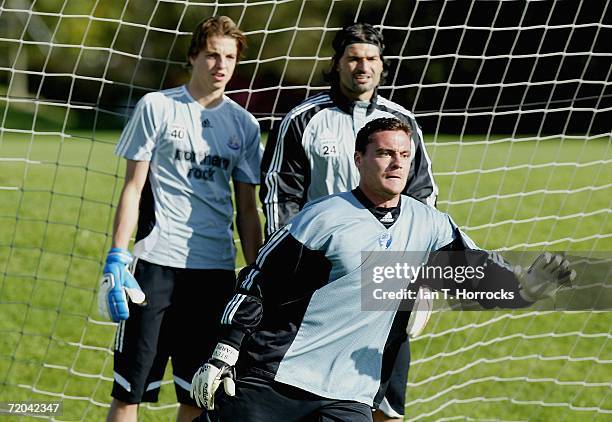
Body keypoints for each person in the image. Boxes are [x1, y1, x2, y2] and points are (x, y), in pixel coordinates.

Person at [190, 118, 574, 421]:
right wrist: (224, 354)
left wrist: (527, 290)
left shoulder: (432, 227)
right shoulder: (323, 219)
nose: (396, 163)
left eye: (404, 155)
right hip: (276, 378)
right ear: (359, 159)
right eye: (385, 153)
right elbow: (258, 284)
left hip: (350, 395)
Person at [259, 22, 437, 420]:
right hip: (317, 280)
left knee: (386, 404)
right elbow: (279, 195)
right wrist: (293, 267)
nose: (363, 67)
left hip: (385, 277)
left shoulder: (403, 123)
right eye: (354, 58)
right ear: (336, 63)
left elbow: (423, 195)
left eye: (371, 59)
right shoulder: (304, 119)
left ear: (382, 66)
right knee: (297, 394)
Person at [96, 16, 263, 422]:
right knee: (129, 393)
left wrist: (257, 271)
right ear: (193, 57)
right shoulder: (157, 106)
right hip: (154, 267)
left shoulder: (245, 124)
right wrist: (118, 255)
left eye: (229, 57)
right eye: (211, 55)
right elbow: (133, 188)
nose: (220, 65)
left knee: (199, 396)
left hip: (214, 274)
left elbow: (247, 209)